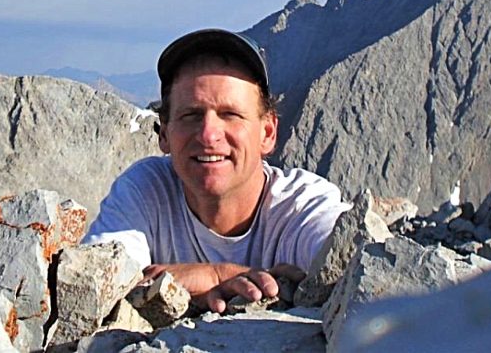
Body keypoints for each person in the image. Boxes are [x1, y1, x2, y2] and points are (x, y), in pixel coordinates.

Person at [83, 28, 350, 312]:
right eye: (191, 115)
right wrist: (217, 276)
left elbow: (352, 270)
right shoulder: (144, 190)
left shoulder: (303, 206)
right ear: (164, 134)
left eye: (230, 114)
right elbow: (93, 285)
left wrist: (182, 282)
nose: (209, 134)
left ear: (267, 133)